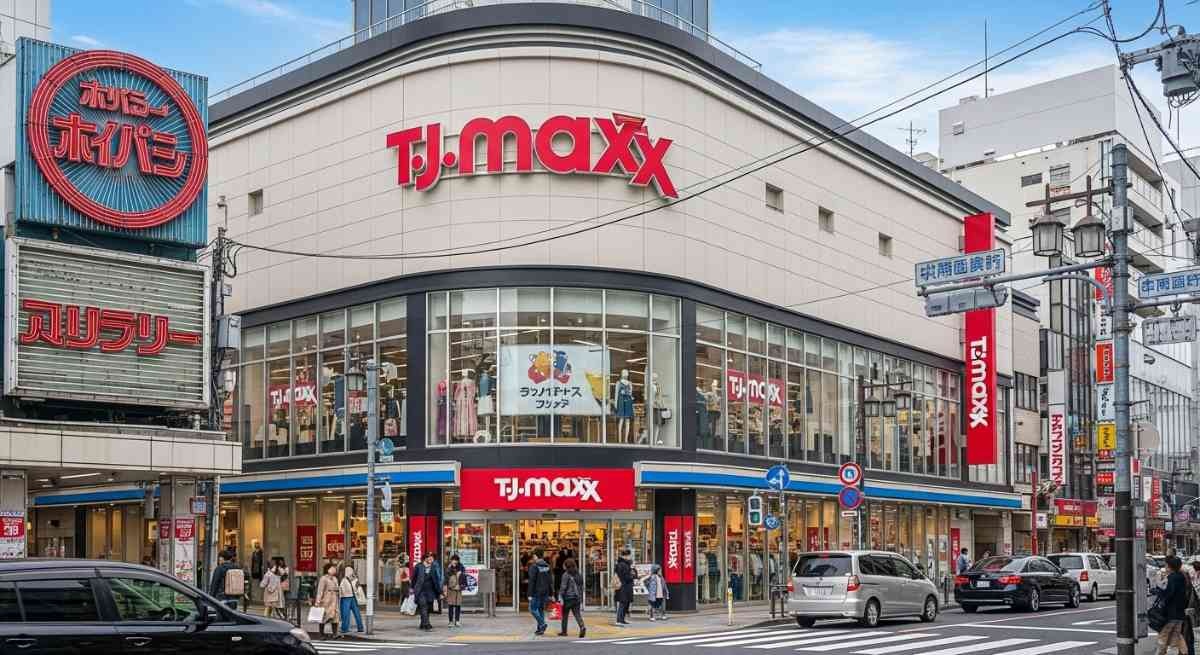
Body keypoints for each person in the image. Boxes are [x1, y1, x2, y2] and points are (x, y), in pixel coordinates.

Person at [1158, 556, 1191, 655]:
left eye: (1166, 565)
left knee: (1163, 635)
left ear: (1169, 566)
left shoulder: (1172, 578)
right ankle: (1184, 652)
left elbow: (1169, 594)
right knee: (1177, 636)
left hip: (1171, 613)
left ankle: (1161, 653)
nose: (1165, 567)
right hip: (1180, 612)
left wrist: (1161, 598)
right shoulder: (1182, 577)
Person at [412, 553, 442, 631]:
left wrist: (440, 591)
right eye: (429, 558)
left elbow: (436, 580)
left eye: (432, 558)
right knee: (423, 606)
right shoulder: (419, 566)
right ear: (425, 558)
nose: (430, 559)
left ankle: (422, 623)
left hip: (430, 590)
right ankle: (427, 624)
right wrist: (412, 588)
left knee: (428, 607)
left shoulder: (433, 567)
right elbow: (414, 578)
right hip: (420, 590)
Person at [557, 557, 586, 638]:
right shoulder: (578, 574)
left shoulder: (566, 575)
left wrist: (560, 596)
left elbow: (563, 587)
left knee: (565, 615)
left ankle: (564, 632)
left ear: (567, 566)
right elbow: (581, 586)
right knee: (577, 614)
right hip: (577, 598)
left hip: (568, 598)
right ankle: (582, 626)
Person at [528, 548, 553, 635]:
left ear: (535, 556)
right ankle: (540, 629)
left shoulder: (534, 566)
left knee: (532, 609)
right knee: (540, 609)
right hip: (545, 592)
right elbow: (550, 581)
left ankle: (542, 624)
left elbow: (532, 581)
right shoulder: (547, 566)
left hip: (536, 592)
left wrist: (529, 594)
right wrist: (551, 593)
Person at [315, 563, 341, 639]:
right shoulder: (323, 578)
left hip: (334, 600)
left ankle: (335, 633)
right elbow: (320, 590)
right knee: (324, 617)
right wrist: (318, 601)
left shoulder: (335, 579)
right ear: (328, 569)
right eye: (333, 568)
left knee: (335, 617)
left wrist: (338, 590)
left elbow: (337, 588)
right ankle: (321, 634)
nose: (334, 569)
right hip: (326, 600)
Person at [339, 563, 365, 634]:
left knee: (345, 613)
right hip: (354, 597)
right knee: (357, 613)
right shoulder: (355, 579)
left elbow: (341, 590)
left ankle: (344, 628)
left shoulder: (344, 580)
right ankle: (360, 627)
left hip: (346, 598)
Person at [443, 554, 466, 628]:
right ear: (451, 561)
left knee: (458, 605)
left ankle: (457, 620)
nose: (454, 561)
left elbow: (464, 578)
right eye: (453, 560)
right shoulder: (448, 568)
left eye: (456, 560)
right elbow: (446, 579)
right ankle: (450, 621)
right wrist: (445, 588)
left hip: (458, 589)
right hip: (451, 589)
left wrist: (461, 586)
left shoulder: (461, 568)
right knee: (451, 605)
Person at [614, 549, 635, 626]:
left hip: (623, 587)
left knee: (624, 603)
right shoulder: (623, 565)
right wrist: (632, 575)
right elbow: (626, 577)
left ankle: (622, 619)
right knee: (622, 603)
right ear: (625, 556)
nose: (630, 557)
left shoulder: (622, 564)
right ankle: (619, 620)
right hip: (624, 587)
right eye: (629, 555)